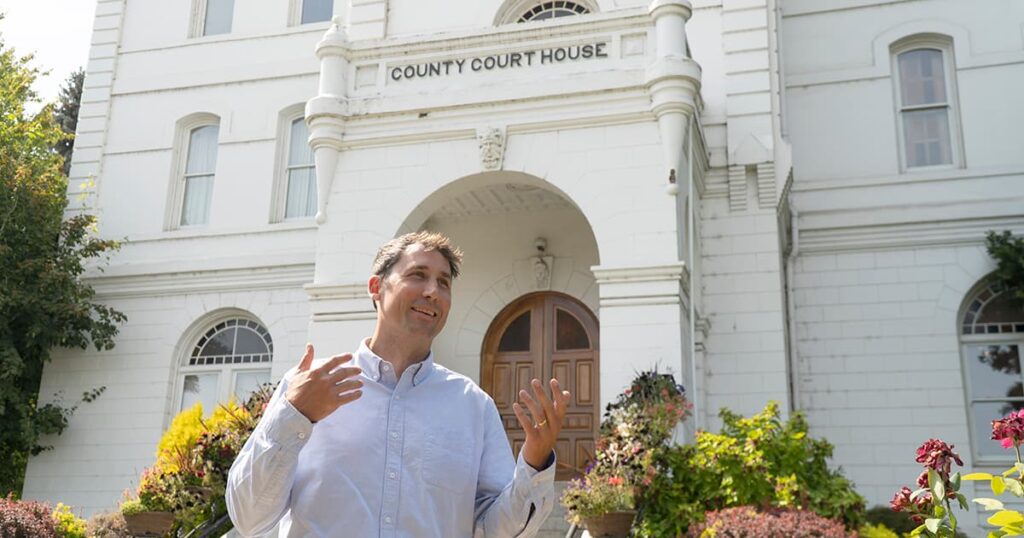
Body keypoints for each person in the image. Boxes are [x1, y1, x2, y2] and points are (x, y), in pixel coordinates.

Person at [226, 231, 571, 537]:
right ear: (376, 287)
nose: (433, 291)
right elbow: (249, 518)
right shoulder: (308, 386)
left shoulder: (472, 406)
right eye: (417, 275)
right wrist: (294, 416)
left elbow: (495, 531)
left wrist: (534, 463)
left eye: (444, 282)